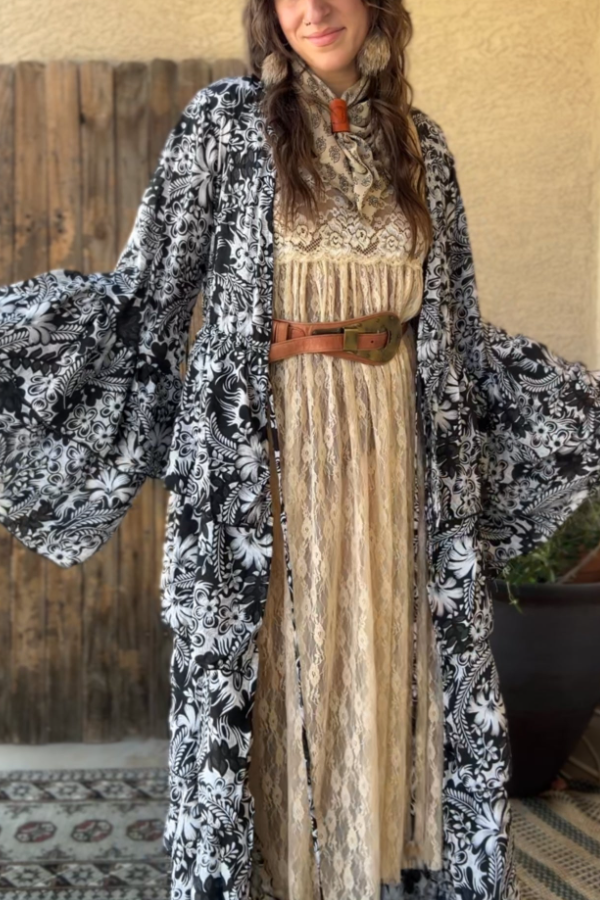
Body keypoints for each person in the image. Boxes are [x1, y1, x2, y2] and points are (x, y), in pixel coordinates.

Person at [1, 1, 599, 899]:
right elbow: (146, 298)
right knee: (275, 680)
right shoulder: (223, 123)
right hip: (267, 459)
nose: (313, 7)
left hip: (397, 458)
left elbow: (456, 331)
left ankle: (376, 876)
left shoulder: (423, 145)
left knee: (385, 665)